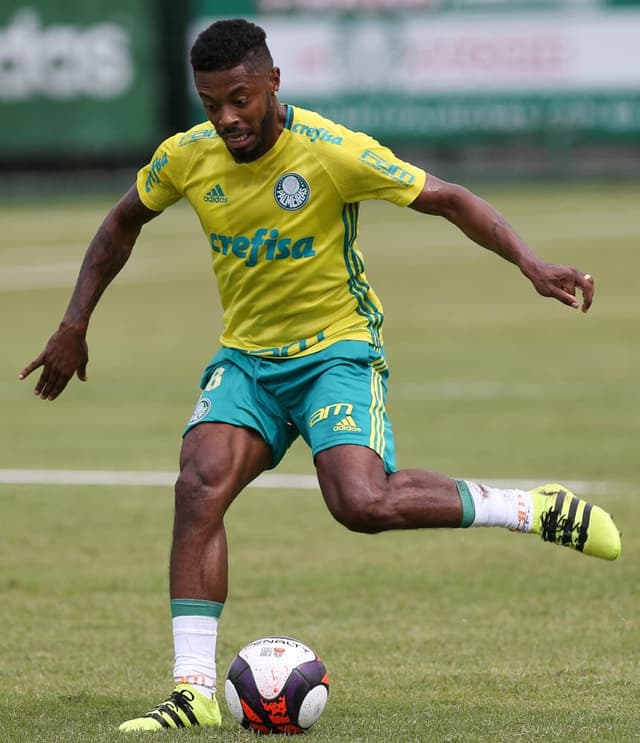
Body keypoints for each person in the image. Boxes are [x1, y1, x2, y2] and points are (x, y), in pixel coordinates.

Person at [19, 18, 621, 733]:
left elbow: (450, 198)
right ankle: (192, 691)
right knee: (198, 484)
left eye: (239, 98)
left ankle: (528, 507)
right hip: (247, 360)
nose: (227, 118)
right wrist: (75, 321)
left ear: (273, 82)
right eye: (211, 104)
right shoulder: (187, 156)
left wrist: (530, 261)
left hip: (336, 352)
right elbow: (121, 223)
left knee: (360, 502)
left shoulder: (333, 153)